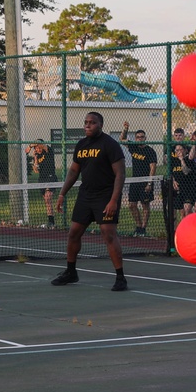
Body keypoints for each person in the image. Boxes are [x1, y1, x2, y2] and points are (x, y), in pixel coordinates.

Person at [51, 111, 128, 291]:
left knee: (108, 234)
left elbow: (120, 174)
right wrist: (62, 193)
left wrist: (114, 200)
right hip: (85, 195)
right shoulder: (81, 145)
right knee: (73, 233)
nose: (87, 125)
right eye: (86, 122)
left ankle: (120, 277)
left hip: (105, 196)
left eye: (92, 122)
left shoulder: (110, 145)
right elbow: (73, 172)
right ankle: (71, 272)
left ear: (100, 125)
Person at [120, 121, 158, 236]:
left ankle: (143, 229)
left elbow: (153, 168)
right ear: (135, 139)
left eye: (142, 137)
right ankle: (138, 226)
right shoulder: (133, 147)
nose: (140, 139)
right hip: (134, 181)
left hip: (146, 182)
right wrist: (126, 129)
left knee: (145, 205)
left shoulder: (150, 151)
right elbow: (121, 139)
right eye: (138, 137)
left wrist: (149, 184)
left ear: (145, 138)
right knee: (131, 204)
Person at [29, 139, 58, 228]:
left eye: (37, 147)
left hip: (50, 177)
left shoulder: (48, 150)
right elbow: (36, 170)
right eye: (35, 148)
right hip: (42, 180)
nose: (37, 149)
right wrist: (35, 158)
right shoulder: (38, 155)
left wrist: (29, 146)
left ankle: (51, 221)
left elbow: (41, 144)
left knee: (48, 197)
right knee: (47, 201)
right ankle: (51, 221)